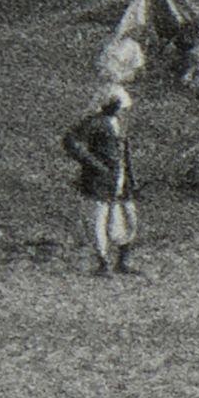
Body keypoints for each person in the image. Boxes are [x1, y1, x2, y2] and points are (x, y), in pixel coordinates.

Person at [63, 81, 137, 277]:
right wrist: (94, 164)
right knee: (98, 219)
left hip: (119, 179)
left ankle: (122, 261)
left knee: (124, 218)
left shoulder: (120, 124)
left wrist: (131, 177)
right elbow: (71, 141)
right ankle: (103, 262)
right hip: (101, 179)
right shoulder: (95, 122)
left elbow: (125, 153)